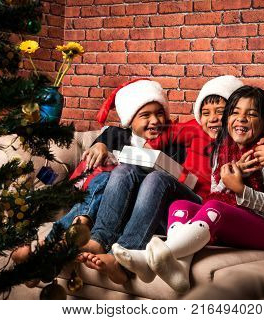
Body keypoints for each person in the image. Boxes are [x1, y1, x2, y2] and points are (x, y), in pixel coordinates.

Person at [80, 76, 264, 285]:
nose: (213, 118)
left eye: (221, 111)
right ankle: (108, 243)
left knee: (168, 185)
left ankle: (142, 257)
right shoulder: (214, 145)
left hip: (221, 210)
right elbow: (156, 136)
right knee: (131, 175)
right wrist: (106, 142)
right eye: (206, 113)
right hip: (199, 203)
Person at [12, 79, 176, 263]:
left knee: (115, 175)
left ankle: (63, 238)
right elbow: (100, 145)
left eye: (160, 113)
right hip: (101, 202)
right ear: (130, 120)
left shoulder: (173, 141)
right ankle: (46, 255)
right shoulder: (117, 135)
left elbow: (169, 180)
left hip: (136, 207)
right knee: (103, 177)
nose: (155, 120)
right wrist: (100, 146)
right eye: (145, 115)